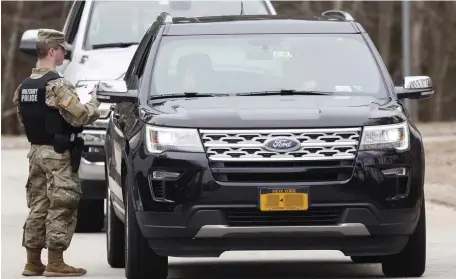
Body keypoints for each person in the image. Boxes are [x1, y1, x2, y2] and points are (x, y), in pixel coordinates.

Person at [12, 29, 101, 277]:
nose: (65, 53)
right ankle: (55, 262)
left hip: (36, 153)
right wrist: (95, 103)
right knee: (63, 202)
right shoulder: (57, 84)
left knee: (38, 205)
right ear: (53, 51)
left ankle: (32, 261)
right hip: (57, 153)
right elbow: (79, 115)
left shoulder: (24, 86)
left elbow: (23, 121)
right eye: (62, 49)